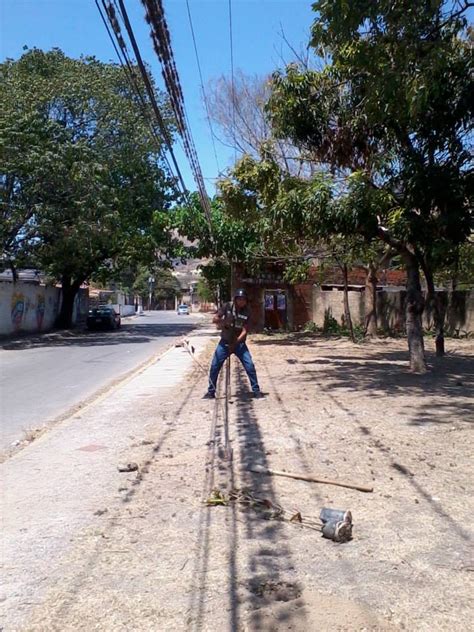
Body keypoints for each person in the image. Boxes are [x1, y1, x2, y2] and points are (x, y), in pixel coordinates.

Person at [203, 288, 263, 399]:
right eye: (239, 299)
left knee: (249, 365)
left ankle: (256, 391)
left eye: (243, 299)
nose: (241, 301)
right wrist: (222, 321)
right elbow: (215, 319)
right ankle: (210, 392)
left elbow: (245, 331)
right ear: (235, 299)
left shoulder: (247, 311)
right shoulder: (227, 307)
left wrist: (235, 343)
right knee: (215, 365)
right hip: (224, 342)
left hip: (239, 344)